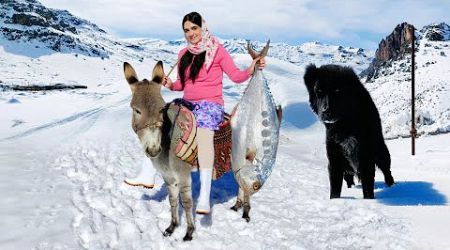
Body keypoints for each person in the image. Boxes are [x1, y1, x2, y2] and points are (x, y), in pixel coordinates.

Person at [125, 11, 265, 215]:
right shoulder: (183, 54)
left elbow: (236, 76)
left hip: (210, 105)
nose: (191, 33)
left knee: (205, 136)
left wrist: (252, 68)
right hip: (187, 103)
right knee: (158, 120)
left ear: (203, 28)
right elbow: (183, 84)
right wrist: (171, 84)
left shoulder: (218, 51)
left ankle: (205, 198)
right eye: (187, 30)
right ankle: (147, 174)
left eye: (194, 28)